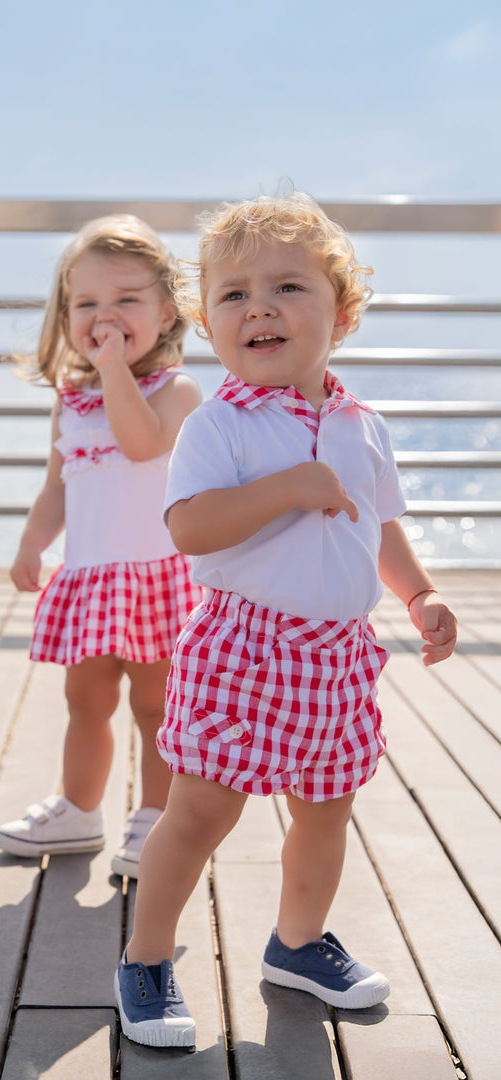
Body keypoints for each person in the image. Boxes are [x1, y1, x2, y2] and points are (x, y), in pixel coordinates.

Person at [114, 193, 458, 1048]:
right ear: (208, 325)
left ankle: (297, 944)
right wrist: (284, 490)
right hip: (243, 647)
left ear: (341, 313)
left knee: (326, 808)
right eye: (234, 295)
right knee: (200, 812)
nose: (259, 307)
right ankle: (145, 960)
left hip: (337, 655)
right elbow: (190, 528)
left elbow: (379, 525)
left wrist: (418, 595)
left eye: (287, 287)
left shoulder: (362, 425)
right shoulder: (218, 425)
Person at [0, 214, 203, 878]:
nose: (104, 316)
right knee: (85, 700)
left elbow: (142, 445)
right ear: (65, 316)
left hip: (155, 579)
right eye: (86, 303)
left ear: (167, 312)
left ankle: (156, 820)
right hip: (91, 579)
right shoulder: (72, 400)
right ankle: (80, 809)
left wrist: (112, 368)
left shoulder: (177, 391)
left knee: (156, 705)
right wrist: (32, 543)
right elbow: (57, 487)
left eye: (126, 299)